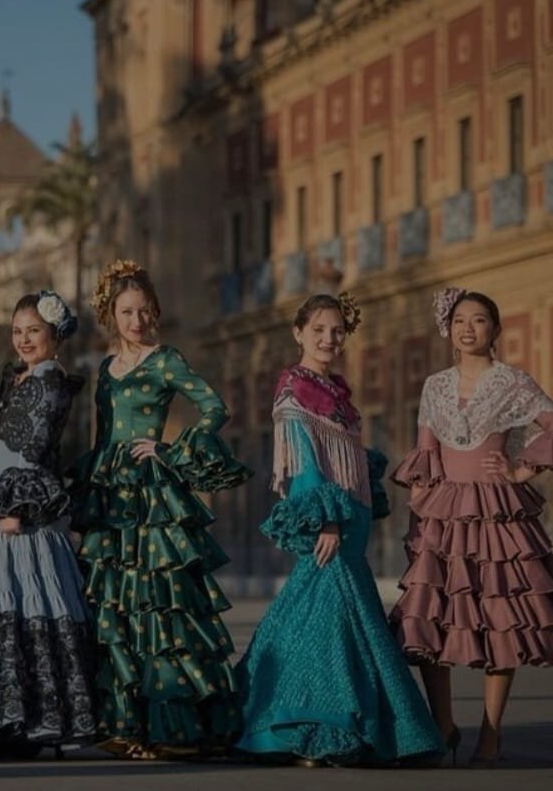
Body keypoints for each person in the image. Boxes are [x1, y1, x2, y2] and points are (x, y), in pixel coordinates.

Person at [236, 293, 443, 767]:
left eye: (336, 332)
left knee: (328, 615)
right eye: (318, 331)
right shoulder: (294, 389)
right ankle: (313, 725)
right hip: (329, 519)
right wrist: (325, 518)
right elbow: (304, 463)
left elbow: (348, 457)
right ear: (299, 333)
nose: (329, 339)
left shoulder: (337, 391)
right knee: (326, 618)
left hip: (352, 519)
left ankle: (330, 720)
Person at [69, 259, 250, 759]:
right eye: (128, 311)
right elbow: (103, 436)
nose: (137, 320)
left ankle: (173, 726)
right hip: (112, 498)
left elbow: (215, 407)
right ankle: (126, 724)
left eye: (145, 311)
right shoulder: (104, 371)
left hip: (152, 496)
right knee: (117, 605)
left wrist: (168, 449)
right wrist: (90, 490)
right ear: (111, 314)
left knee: (161, 600)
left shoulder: (166, 359)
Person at [391, 288, 553, 767]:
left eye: (480, 320)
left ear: (495, 331)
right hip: (444, 513)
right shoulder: (434, 385)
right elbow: (425, 450)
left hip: (497, 512)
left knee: (500, 617)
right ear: (450, 330)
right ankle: (443, 724)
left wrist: (522, 469)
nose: (468, 328)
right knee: (432, 618)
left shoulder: (514, 383)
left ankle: (491, 732)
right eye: (460, 320)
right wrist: (419, 497)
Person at [0, 291, 95, 754]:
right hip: (6, 511)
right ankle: (10, 721)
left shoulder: (51, 381)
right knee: (5, 611)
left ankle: (43, 722)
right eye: (17, 331)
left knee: (29, 606)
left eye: (34, 330)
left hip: (26, 517)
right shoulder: (18, 378)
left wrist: (14, 508)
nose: (24, 339)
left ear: (55, 335)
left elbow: (32, 448)